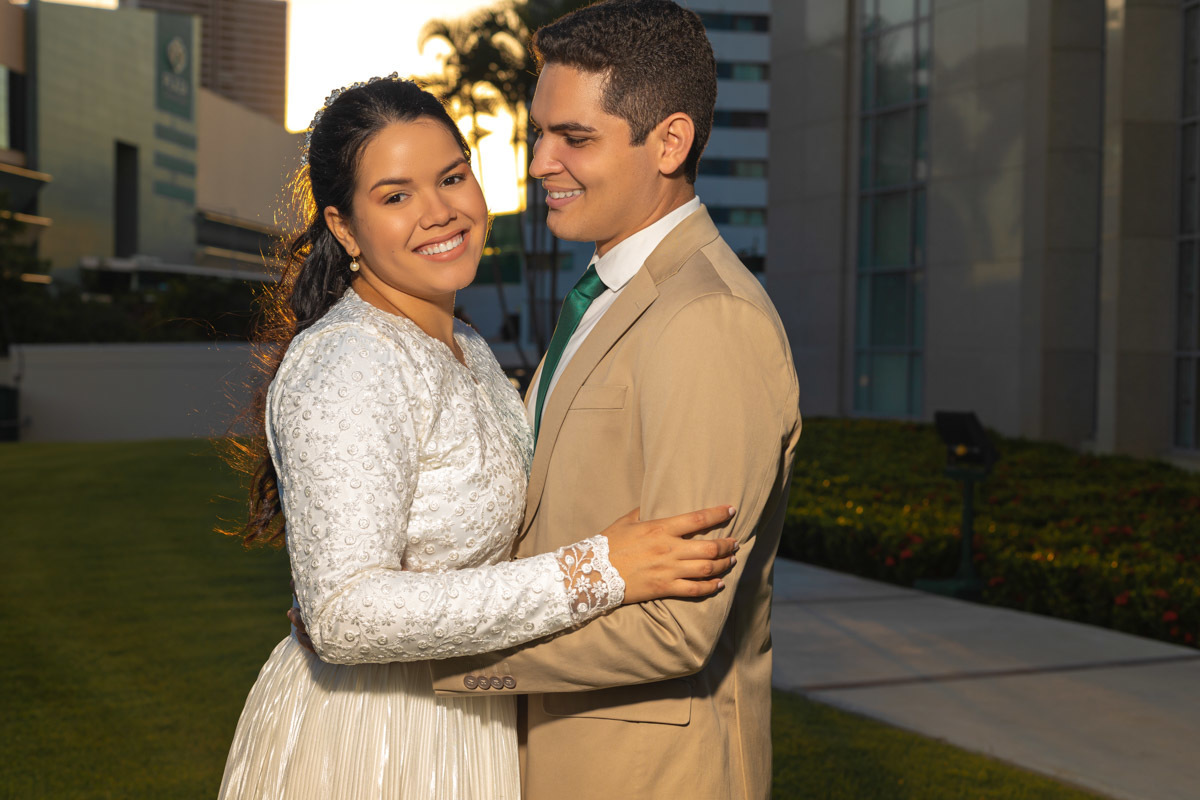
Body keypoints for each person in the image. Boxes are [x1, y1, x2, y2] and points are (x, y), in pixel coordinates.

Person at [217, 76, 739, 800]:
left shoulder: (465, 344)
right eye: (395, 196)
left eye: (452, 177)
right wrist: (598, 570)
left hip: (468, 723)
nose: (439, 212)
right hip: (380, 742)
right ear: (345, 228)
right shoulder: (351, 358)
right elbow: (343, 616)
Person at [424, 2, 802, 798]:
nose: (540, 163)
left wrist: (433, 651)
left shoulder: (708, 320)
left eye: (576, 138)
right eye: (540, 133)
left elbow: (676, 626)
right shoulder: (606, 294)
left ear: (670, 142)